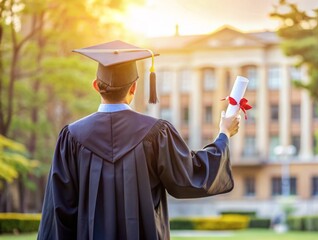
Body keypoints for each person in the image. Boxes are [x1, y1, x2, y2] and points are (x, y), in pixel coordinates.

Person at [37, 40, 240, 240]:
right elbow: (191, 174)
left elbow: (59, 209)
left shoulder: (71, 138)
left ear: (96, 86)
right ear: (134, 88)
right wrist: (224, 134)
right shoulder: (156, 133)